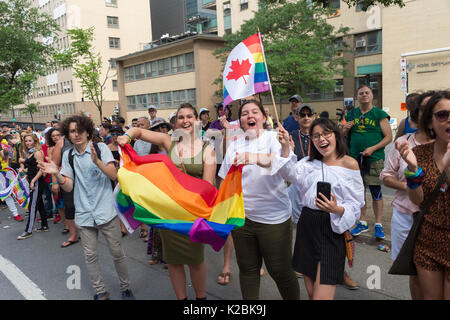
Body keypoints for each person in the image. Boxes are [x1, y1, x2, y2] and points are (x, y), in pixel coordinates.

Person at [118, 103, 216, 300]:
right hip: (169, 213)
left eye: (190, 117)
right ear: (175, 122)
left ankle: (201, 299)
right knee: (173, 261)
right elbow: (139, 131)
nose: (185, 120)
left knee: (196, 261)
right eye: (181, 117)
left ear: (197, 121)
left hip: (193, 214)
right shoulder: (168, 141)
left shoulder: (208, 149)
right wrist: (127, 136)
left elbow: (207, 187)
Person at [39, 114, 135, 300]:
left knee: (117, 253)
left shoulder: (100, 148)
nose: (77, 134)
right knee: (90, 256)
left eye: (80, 130)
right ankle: (100, 292)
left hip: (106, 211)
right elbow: (69, 186)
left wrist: (97, 162)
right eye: (73, 131)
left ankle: (126, 288)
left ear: (88, 131)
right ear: (68, 134)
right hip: (83, 213)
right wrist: (57, 174)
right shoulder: (68, 155)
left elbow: (114, 175)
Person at [269, 118, 364, 300]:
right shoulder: (306, 163)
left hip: (333, 229)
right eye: (316, 136)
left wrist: (337, 209)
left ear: (336, 135)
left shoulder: (350, 163)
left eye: (326, 133)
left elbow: (356, 203)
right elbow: (288, 173)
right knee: (313, 294)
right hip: (307, 226)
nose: (321, 139)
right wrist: (286, 148)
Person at [219, 99, 300, 300]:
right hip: (241, 220)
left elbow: (289, 172)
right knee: (247, 270)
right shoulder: (235, 145)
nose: (250, 116)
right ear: (241, 122)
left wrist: (256, 156)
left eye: (255, 112)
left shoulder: (275, 138)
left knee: (280, 271)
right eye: (245, 113)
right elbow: (224, 180)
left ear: (264, 117)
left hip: (273, 219)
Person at [380, 91, 435, 300]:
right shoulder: (403, 143)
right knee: (415, 275)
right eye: (424, 110)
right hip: (406, 216)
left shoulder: (444, 144)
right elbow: (386, 176)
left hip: (437, 222)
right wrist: (410, 185)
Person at [395, 90, 449, 300]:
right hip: (428, 240)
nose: (448, 120)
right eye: (442, 115)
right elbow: (417, 199)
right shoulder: (419, 153)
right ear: (430, 122)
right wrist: (413, 169)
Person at [344, 85, 392, 239]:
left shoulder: (379, 114)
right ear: (357, 97)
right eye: (361, 93)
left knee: (375, 191)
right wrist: (344, 128)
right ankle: (362, 222)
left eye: (367, 92)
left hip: (374, 158)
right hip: (354, 159)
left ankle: (378, 224)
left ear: (372, 96)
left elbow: (388, 137)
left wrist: (372, 148)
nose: (364, 95)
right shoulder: (352, 113)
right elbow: (342, 135)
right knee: (359, 192)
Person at [146, 118, 172, 266]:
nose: (161, 130)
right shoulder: (152, 152)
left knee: (169, 226)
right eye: (157, 128)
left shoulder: (173, 148)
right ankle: (156, 255)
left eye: (163, 127)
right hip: (156, 192)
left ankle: (170, 258)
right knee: (156, 226)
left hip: (171, 192)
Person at [17, 133, 49, 240]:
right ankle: (44, 225)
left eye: (30, 141)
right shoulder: (30, 152)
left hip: (37, 181)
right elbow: (31, 167)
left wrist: (33, 181)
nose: (27, 143)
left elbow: (41, 169)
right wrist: (25, 172)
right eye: (26, 141)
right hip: (32, 179)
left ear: (35, 141)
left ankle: (28, 230)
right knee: (39, 204)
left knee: (33, 206)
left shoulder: (37, 152)